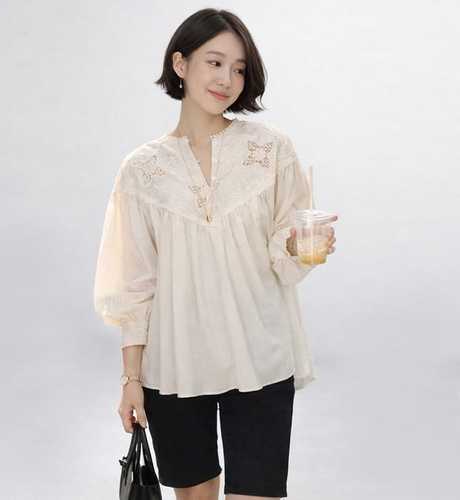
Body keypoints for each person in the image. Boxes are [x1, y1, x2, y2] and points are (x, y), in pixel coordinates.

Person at [93, 8, 337, 500]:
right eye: (215, 62)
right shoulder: (141, 170)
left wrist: (298, 246)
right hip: (175, 364)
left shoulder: (270, 150)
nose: (228, 79)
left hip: (259, 357)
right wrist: (131, 379)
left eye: (239, 68)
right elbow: (135, 284)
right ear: (180, 64)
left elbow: (284, 256)